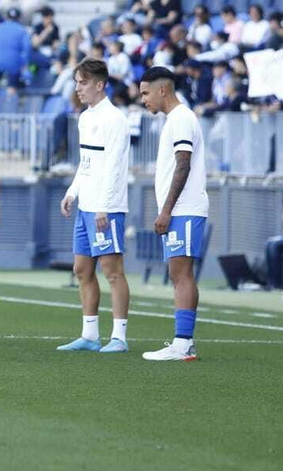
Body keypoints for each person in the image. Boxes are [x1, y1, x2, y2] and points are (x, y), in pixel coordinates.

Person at [57, 58, 131, 353]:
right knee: (81, 269)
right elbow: (86, 163)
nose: (78, 88)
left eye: (83, 83)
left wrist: (104, 205)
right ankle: (89, 335)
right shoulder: (85, 118)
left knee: (112, 271)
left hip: (106, 207)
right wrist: (72, 191)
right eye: (77, 82)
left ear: (100, 85)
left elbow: (114, 167)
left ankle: (120, 337)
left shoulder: (114, 120)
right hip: (86, 205)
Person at [138, 67, 209, 361]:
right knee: (177, 273)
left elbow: (183, 164)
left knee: (181, 274)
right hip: (180, 209)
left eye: (145, 93)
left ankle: (183, 343)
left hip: (184, 209)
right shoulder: (175, 120)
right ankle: (183, 342)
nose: (143, 100)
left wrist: (166, 210)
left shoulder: (181, 119)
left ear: (162, 90)